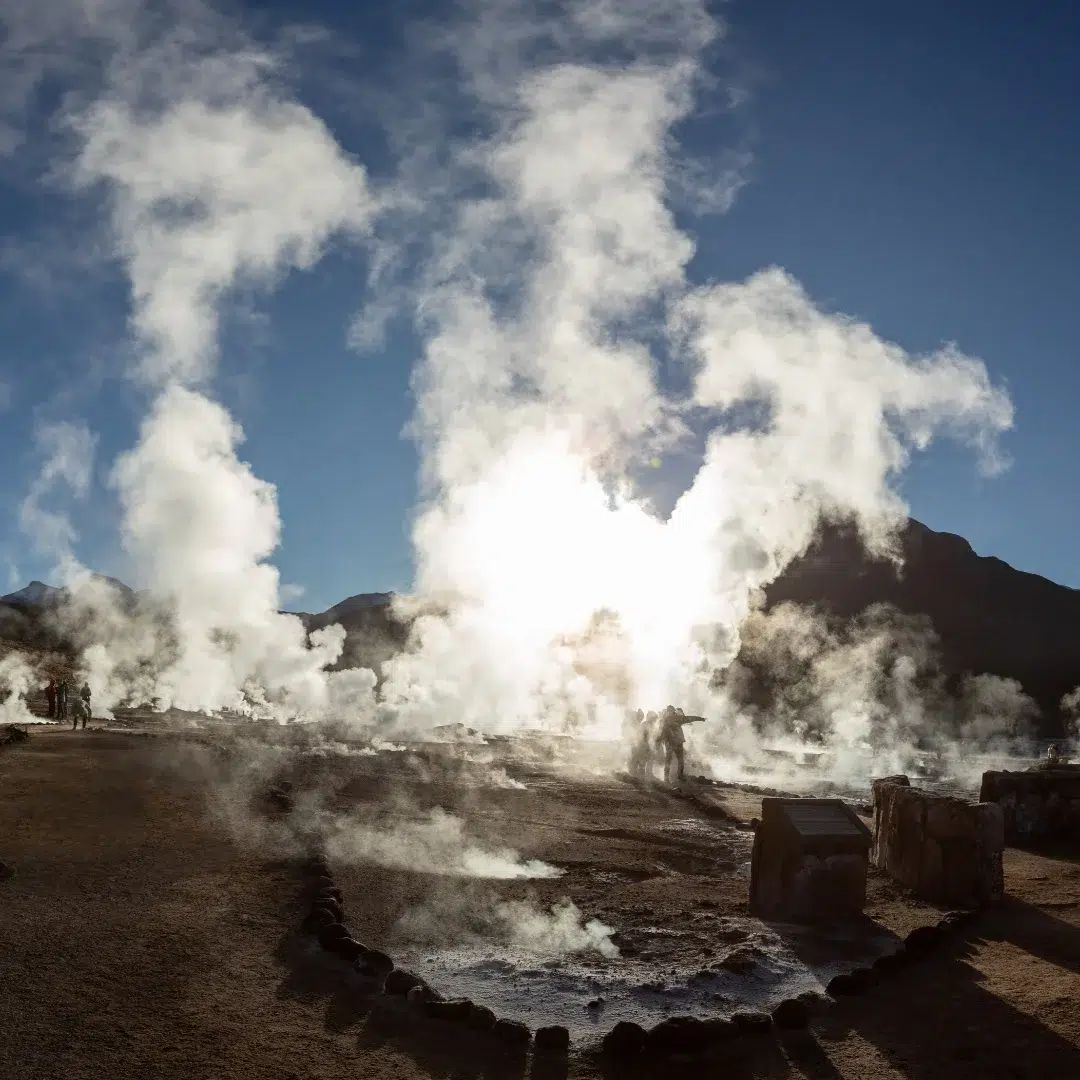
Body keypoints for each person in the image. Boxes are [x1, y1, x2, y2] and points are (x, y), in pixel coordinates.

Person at [657, 706, 706, 784]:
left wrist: (700, 718)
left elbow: (689, 718)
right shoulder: (671, 719)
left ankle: (674, 777)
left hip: (675, 743)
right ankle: (672, 777)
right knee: (673, 760)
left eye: (670, 711)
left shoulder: (669, 719)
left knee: (675, 760)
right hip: (672, 743)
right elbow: (690, 718)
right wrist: (701, 718)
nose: (670, 713)